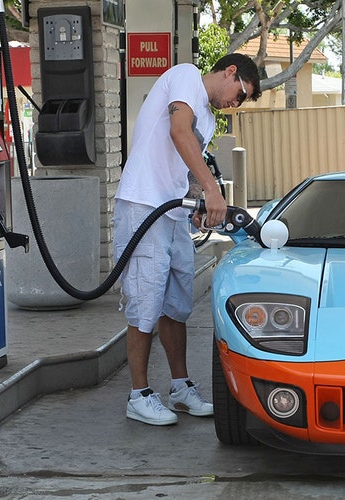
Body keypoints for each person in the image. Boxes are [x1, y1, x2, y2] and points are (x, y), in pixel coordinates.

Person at [113, 53, 261, 426]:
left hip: (173, 211)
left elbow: (186, 162)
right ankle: (139, 395)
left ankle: (179, 388)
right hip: (144, 203)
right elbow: (178, 131)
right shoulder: (185, 77)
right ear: (231, 72)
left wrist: (197, 197)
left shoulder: (208, 118)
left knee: (176, 303)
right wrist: (212, 190)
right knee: (145, 301)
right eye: (240, 94)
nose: (235, 104)